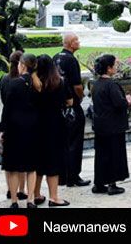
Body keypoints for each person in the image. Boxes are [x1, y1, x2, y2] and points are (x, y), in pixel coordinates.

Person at [31, 55, 71, 206]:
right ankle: (54, 197)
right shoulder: (59, 82)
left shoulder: (33, 84)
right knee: (53, 162)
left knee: (38, 162)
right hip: (55, 124)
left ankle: (36, 194)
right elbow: (70, 101)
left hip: (37, 125)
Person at [90, 54, 131, 195]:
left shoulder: (96, 84)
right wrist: (127, 100)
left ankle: (99, 182)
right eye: (114, 65)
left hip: (100, 124)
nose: (116, 67)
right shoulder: (111, 85)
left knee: (101, 154)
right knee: (114, 154)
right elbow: (119, 104)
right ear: (109, 68)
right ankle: (112, 183)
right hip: (113, 125)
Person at [0, 52, 38, 207]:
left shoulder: (14, 83)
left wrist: (3, 129)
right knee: (31, 167)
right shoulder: (37, 84)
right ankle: (30, 199)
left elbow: (7, 110)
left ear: (22, 65)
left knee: (13, 167)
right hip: (33, 128)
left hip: (15, 128)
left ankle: (14, 199)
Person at [53, 33, 89, 188]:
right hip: (71, 105)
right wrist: (79, 98)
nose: (78, 42)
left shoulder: (55, 57)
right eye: (76, 40)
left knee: (61, 141)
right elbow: (77, 85)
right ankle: (73, 176)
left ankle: (61, 175)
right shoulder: (71, 60)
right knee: (74, 142)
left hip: (58, 106)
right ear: (69, 43)